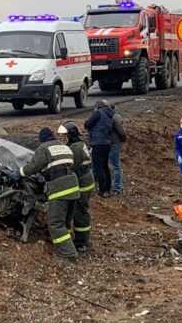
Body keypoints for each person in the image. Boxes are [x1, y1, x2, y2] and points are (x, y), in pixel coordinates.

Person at [10, 127, 80, 261]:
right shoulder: (64, 147)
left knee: (55, 223)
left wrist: (19, 173)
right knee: (64, 221)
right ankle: (67, 245)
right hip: (73, 185)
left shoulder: (44, 148)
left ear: (42, 139)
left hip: (60, 187)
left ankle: (68, 254)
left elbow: (33, 166)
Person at [58, 121, 95, 252]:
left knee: (80, 212)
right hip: (82, 181)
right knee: (76, 210)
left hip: (83, 184)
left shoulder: (76, 149)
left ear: (72, 135)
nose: (63, 139)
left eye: (65, 136)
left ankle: (81, 241)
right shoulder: (77, 145)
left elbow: (69, 166)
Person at [84, 100, 114, 197]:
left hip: (98, 143)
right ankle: (108, 189)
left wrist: (86, 123)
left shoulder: (99, 113)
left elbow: (88, 124)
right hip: (107, 143)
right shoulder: (109, 115)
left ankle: (102, 189)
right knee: (105, 166)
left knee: (98, 167)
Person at [109, 104, 127, 194]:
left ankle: (113, 187)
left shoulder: (104, 117)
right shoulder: (116, 117)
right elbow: (122, 132)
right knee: (116, 166)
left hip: (107, 143)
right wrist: (123, 140)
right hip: (115, 144)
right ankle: (116, 187)